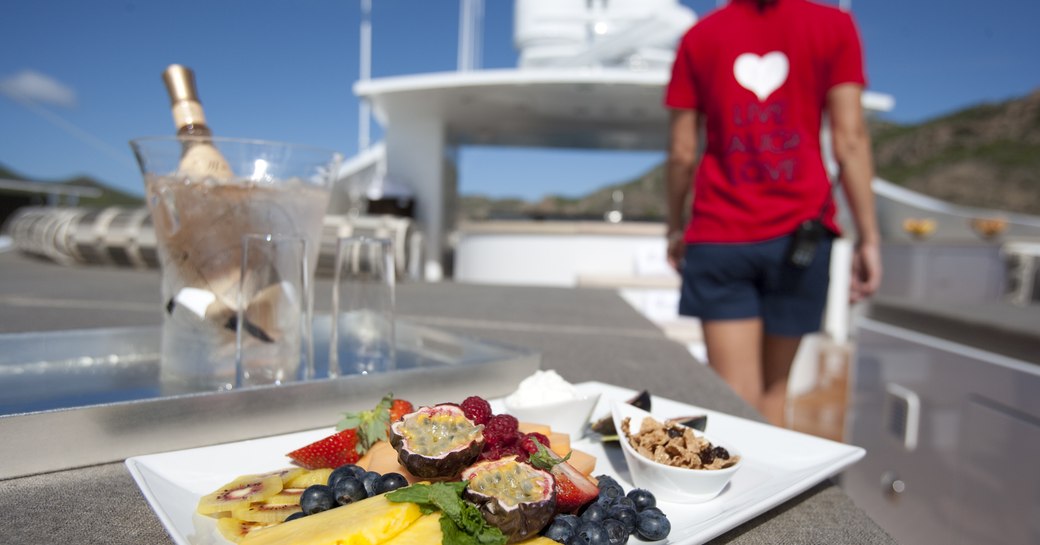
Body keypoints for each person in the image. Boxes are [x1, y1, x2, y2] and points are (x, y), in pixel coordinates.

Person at [663, 0, 882, 426]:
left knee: (735, 396)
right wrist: (869, 237)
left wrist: (675, 226)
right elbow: (849, 140)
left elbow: (682, 152)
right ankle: (773, 489)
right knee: (775, 391)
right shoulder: (833, 26)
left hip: (719, 234)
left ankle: (742, 488)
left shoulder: (699, 37)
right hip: (800, 234)